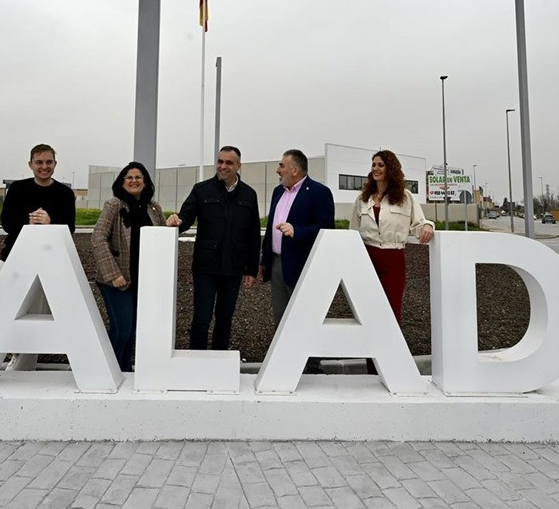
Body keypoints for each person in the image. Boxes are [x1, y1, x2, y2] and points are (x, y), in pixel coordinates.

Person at [167, 146, 261, 351]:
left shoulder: (249, 195)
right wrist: (176, 222)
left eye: (228, 162)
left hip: (234, 267)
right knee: (201, 317)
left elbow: (254, 234)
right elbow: (186, 217)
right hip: (205, 267)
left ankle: (219, 362)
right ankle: (196, 360)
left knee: (225, 318)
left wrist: (252, 269)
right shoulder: (201, 190)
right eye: (220, 161)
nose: (223, 166)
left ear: (238, 166)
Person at [350, 150, 434, 374]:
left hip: (393, 259)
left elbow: (419, 223)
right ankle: (372, 370)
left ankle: (390, 367)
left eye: (380, 165)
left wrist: (428, 226)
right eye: (373, 165)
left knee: (391, 313)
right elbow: (353, 232)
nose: (375, 168)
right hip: (367, 258)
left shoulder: (405, 197)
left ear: (391, 168)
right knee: (368, 313)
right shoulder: (363, 199)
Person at [0, 143, 76, 370]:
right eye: (39, 162)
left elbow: (69, 227)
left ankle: (24, 366)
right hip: (13, 260)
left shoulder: (64, 193)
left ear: (55, 164)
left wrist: (50, 222)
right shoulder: (18, 189)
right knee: (4, 313)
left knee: (35, 315)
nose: (44, 167)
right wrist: (30, 220)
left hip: (48, 263)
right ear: (30, 164)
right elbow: (6, 223)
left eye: (48, 162)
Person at [259, 149, 335, 372]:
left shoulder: (319, 192)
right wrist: (264, 261)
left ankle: (311, 366)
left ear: (294, 169)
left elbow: (326, 227)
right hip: (276, 264)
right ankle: (284, 361)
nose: (278, 170)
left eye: (281, 165)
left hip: (303, 265)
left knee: (305, 316)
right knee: (280, 315)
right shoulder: (277, 192)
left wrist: (297, 231)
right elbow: (271, 226)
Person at [91, 162, 167, 372]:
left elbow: (162, 237)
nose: (134, 181)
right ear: (122, 182)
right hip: (117, 279)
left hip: (143, 279)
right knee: (121, 328)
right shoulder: (113, 206)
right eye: (129, 177)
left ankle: (124, 370)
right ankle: (107, 370)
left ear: (145, 182)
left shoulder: (154, 208)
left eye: (138, 177)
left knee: (133, 330)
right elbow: (98, 238)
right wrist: (113, 274)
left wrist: (172, 225)